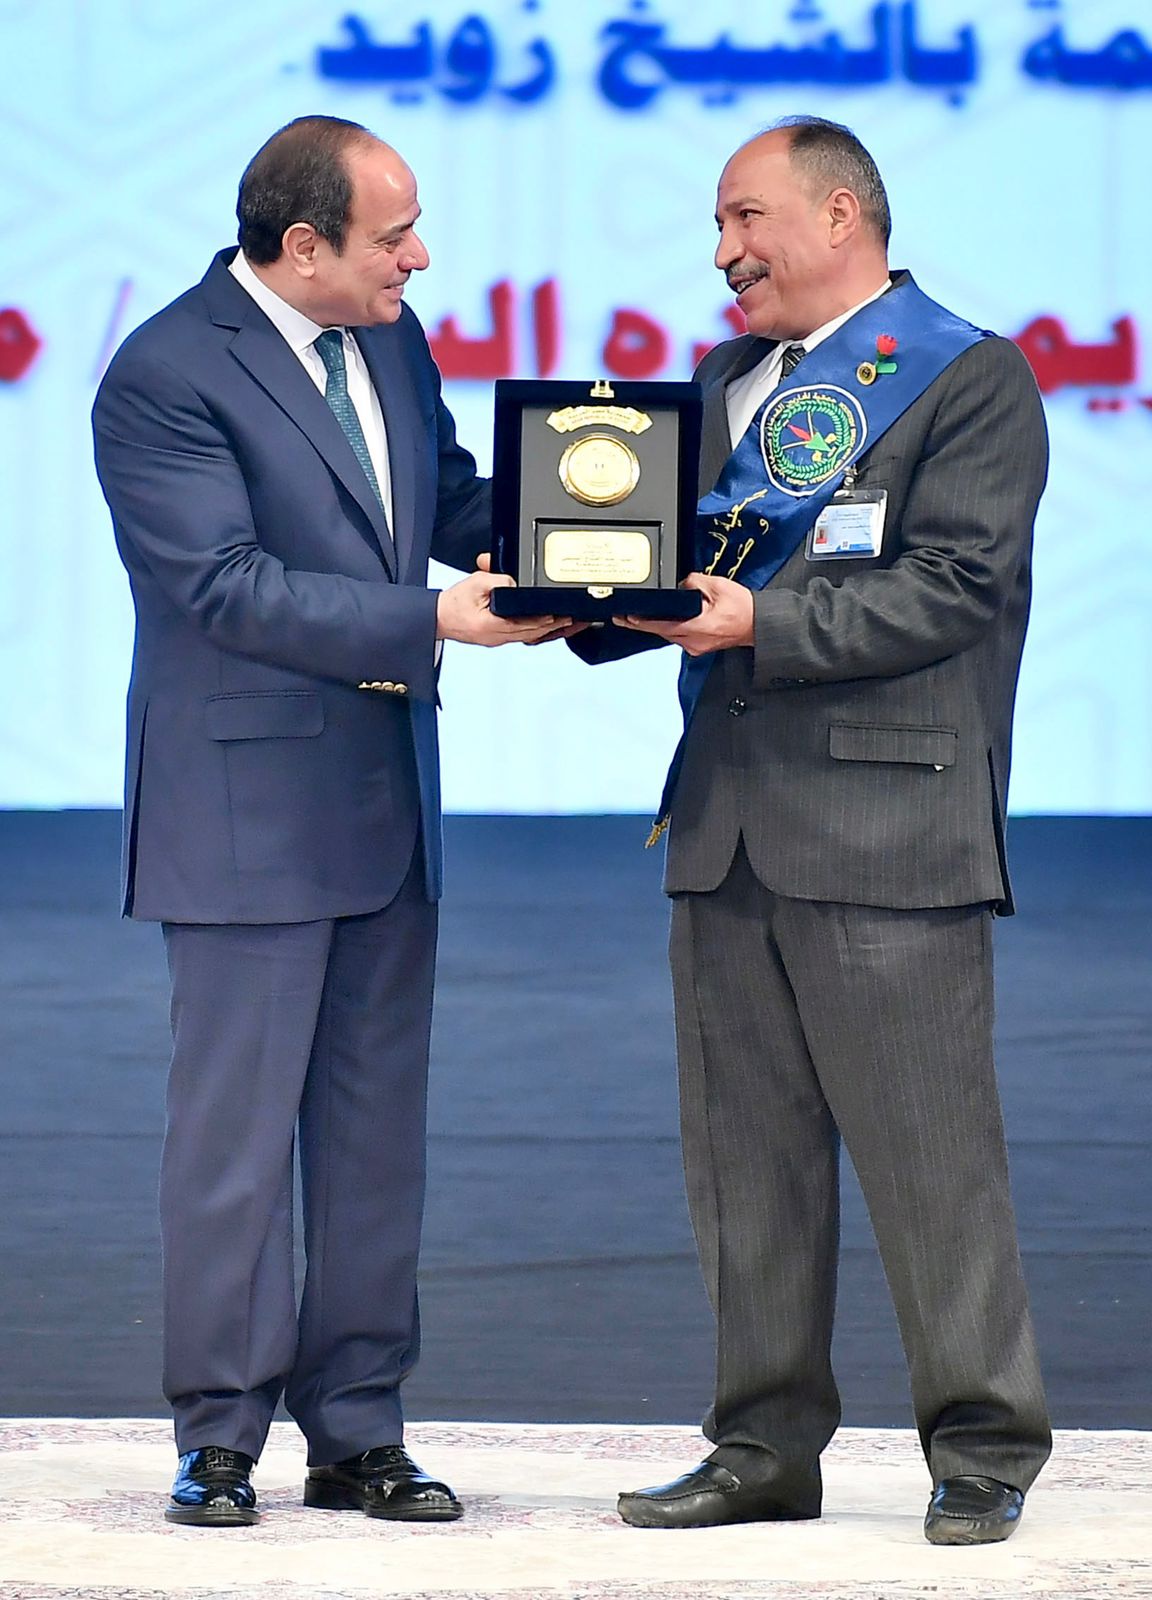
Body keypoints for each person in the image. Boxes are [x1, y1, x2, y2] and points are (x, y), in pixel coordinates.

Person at [577, 117, 1051, 1545]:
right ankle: (763, 1448)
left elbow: (955, 585)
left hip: (889, 827)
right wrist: (573, 590)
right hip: (724, 827)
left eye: (747, 218)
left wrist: (758, 625)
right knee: (747, 1171)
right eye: (719, 226)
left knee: (931, 1159)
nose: (724, 252)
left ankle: (984, 1449)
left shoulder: (969, 376)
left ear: (841, 215)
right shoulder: (721, 382)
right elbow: (668, 567)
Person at [92, 115, 562, 1527]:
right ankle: (220, 1435)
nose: (419, 259)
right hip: (243, 810)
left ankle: (359, 1431)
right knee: (235, 1150)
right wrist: (437, 619)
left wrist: (604, 543)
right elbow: (223, 587)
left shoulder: (391, 346)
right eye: (394, 237)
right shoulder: (165, 372)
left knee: (372, 1143)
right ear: (303, 247)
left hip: (383, 805)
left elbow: (451, 503)